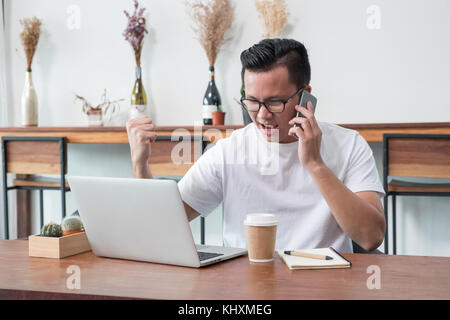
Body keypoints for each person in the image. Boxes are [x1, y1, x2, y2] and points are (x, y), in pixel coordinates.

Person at [126, 38, 386, 253]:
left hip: (324, 284)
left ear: (306, 95)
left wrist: (315, 164)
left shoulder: (349, 145)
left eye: (275, 103)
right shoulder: (229, 152)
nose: (262, 115)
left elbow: (370, 237)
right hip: (246, 286)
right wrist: (140, 164)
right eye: (251, 101)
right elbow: (159, 224)